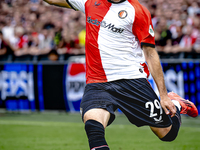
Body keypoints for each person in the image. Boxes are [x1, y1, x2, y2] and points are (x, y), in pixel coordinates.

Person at [43, 0, 198, 149]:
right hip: (98, 83)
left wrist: (164, 96)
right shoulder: (89, 1)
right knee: (92, 124)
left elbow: (150, 54)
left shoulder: (137, 11)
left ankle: (177, 103)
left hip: (131, 80)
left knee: (166, 133)